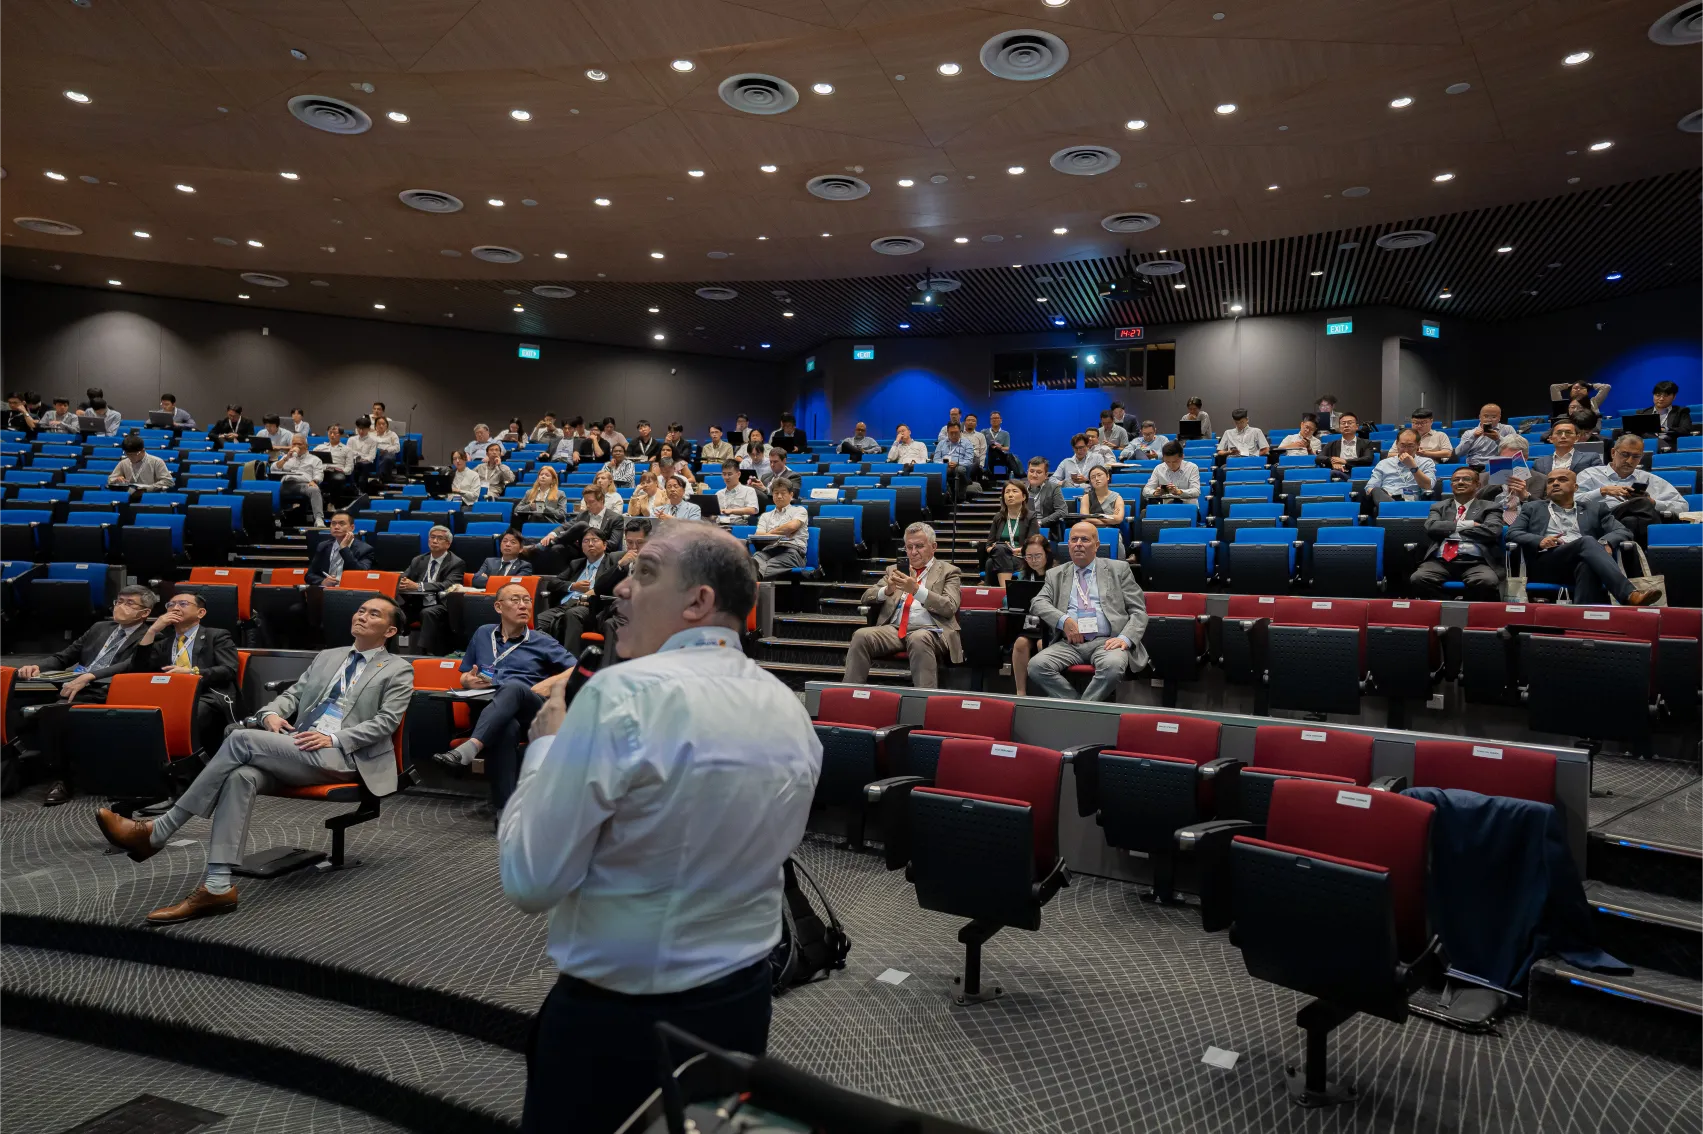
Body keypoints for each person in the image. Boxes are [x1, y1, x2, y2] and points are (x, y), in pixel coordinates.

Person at [500, 520, 817, 1134]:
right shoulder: (789, 705)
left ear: (698, 601)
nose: (620, 586)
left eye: (645, 573)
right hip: (741, 1006)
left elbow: (529, 880)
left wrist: (545, 747)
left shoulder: (621, 694)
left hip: (617, 1026)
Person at [97, 597, 413, 924]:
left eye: (374, 614)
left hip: (345, 754)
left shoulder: (398, 668)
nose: (362, 616)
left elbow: (386, 722)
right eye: (361, 610)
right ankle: (217, 887)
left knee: (240, 738)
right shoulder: (328, 656)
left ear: (390, 631)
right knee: (241, 776)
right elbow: (292, 695)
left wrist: (333, 738)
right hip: (299, 745)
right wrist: (270, 714)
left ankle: (159, 830)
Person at [431, 583, 577, 812]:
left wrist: (549, 684)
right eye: (515, 600)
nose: (523, 605)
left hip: (531, 709)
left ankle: (471, 747)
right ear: (498, 607)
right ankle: (505, 811)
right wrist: (468, 681)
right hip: (490, 709)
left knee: (514, 688)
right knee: (506, 728)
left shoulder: (542, 640)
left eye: (527, 600)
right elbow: (465, 675)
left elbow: (578, 668)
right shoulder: (483, 634)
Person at [18, 584, 157, 806]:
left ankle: (61, 778)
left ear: (145, 612)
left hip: (104, 688)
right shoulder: (99, 627)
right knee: (16, 696)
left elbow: (131, 665)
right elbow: (64, 657)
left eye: (129, 603)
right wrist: (37, 666)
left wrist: (91, 676)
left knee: (56, 712)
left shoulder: (151, 636)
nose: (120, 606)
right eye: (119, 601)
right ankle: (16, 763)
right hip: (73, 682)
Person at [1027, 522, 1148, 702]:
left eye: (1084, 539)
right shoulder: (1056, 574)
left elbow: (1139, 611)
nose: (1078, 544)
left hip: (1108, 642)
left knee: (1113, 667)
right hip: (1069, 644)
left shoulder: (1118, 569)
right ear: (1068, 544)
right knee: (1036, 666)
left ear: (1096, 545)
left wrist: (1124, 638)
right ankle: (1081, 707)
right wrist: (1064, 620)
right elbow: (1037, 602)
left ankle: (1081, 708)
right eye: (1074, 539)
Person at [1506, 469, 1661, 606]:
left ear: (1576, 487)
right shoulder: (1532, 508)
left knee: (1587, 564)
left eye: (1562, 480)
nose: (1555, 483)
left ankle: (1583, 618)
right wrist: (1540, 540)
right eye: (1551, 481)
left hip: (1584, 561)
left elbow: (1623, 531)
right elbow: (1512, 532)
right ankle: (1629, 595)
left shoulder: (1595, 509)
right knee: (1587, 541)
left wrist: (1605, 542)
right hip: (1546, 563)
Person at [843, 523, 962, 688]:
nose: (913, 552)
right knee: (861, 636)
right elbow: (866, 597)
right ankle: (848, 694)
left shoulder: (949, 572)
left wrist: (916, 590)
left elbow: (949, 607)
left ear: (933, 547)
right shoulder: (895, 570)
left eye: (919, 546)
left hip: (933, 630)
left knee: (918, 638)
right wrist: (887, 590)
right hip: (895, 630)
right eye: (909, 547)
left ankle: (925, 699)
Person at [130, 590, 240, 754]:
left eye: (183, 604)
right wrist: (152, 631)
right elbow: (138, 669)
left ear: (200, 613)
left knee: (187, 713)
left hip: (206, 694)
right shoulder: (165, 642)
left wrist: (192, 673)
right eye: (171, 605)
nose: (175, 608)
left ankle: (187, 757)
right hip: (168, 693)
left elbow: (229, 670)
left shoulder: (216, 636)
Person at [1409, 469, 1504, 601]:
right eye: (1456, 480)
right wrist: (1470, 524)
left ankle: (1466, 606)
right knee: (1418, 578)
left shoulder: (1490, 507)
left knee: (1486, 581)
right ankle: (1447, 604)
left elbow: (1492, 531)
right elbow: (1431, 527)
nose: (1460, 482)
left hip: (1476, 561)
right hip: (1440, 561)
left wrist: (1447, 529)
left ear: (1478, 485)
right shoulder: (1439, 506)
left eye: (1466, 479)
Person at [1576, 434, 1687, 545]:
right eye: (1625, 455)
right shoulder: (1590, 474)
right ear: (1613, 453)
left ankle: (1627, 550)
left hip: (1628, 527)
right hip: (1601, 521)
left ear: (1641, 457)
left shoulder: (1651, 480)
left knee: (1631, 520)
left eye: (1636, 456)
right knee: (1642, 503)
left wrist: (1653, 502)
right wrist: (1603, 491)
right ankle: (1655, 546)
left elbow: (1682, 506)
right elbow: (1571, 500)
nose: (1629, 461)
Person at [535, 526, 621, 648]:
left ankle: (570, 658)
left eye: (595, 540)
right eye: (586, 541)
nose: (590, 544)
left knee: (572, 614)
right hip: (566, 605)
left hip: (590, 608)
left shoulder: (611, 563)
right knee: (536, 622)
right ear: (581, 546)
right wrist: (573, 586)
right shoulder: (576, 564)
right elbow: (553, 583)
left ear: (604, 545)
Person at [400, 526, 465, 655]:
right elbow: (404, 577)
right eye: (432, 537)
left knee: (428, 613)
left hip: (441, 604)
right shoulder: (418, 560)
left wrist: (418, 586)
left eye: (440, 538)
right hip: (417, 602)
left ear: (448, 544)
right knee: (392, 610)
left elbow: (448, 585)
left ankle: (425, 653)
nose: (435, 541)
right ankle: (386, 647)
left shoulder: (456, 563)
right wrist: (403, 583)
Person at [1007, 535, 1053, 697]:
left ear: (1047, 554)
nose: (1033, 560)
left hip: (1051, 624)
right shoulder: (1023, 576)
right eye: (1029, 556)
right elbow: (1009, 600)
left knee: (1042, 644)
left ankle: (1049, 692)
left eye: (1038, 556)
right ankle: (1020, 692)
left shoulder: (1057, 574)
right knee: (1020, 643)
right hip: (1031, 623)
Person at [984, 480, 1037, 584]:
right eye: (1007, 492)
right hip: (1001, 556)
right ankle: (1005, 590)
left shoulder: (1030, 517)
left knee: (990, 563)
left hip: (1021, 558)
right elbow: (988, 546)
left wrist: (1017, 550)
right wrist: (995, 549)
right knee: (999, 550)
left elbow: (1033, 545)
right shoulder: (998, 517)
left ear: (1024, 497)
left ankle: (1001, 590)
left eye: (1014, 491)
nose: (1010, 495)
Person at [754, 478, 808, 578]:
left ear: (791, 495)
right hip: (769, 551)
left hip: (792, 552)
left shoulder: (800, 510)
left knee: (759, 568)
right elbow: (758, 535)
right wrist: (783, 532)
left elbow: (792, 526)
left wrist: (768, 534)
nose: (779, 496)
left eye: (783, 493)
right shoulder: (765, 516)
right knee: (753, 562)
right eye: (776, 493)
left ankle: (754, 579)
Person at [1363, 429, 1435, 502]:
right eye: (1402, 445)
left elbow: (1428, 486)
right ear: (1397, 444)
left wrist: (1413, 467)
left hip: (1412, 503)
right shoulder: (1384, 463)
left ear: (1418, 445)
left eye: (1410, 446)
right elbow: (1370, 488)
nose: (1406, 450)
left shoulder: (1426, 462)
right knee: (1376, 491)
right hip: (1386, 500)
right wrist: (1384, 495)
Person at [305, 512, 375, 587]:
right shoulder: (323, 546)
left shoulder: (365, 549)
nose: (336, 527)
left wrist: (344, 548)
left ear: (352, 528)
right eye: (333, 523)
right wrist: (322, 581)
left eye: (342, 523)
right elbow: (309, 575)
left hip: (351, 591)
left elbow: (361, 574)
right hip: (326, 590)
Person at [271, 434, 326, 526]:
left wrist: (314, 481)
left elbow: (319, 474)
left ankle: (319, 519)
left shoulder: (315, 459)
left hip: (304, 485)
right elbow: (273, 468)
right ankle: (276, 517)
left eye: (299, 444)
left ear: (306, 446)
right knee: (271, 490)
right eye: (294, 444)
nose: (296, 446)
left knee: (314, 489)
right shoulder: (287, 457)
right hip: (286, 484)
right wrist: (286, 458)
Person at [1531, 420, 1603, 482]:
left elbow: (1600, 481)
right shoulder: (1539, 463)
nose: (1563, 436)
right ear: (1551, 439)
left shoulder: (1591, 458)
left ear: (1577, 438)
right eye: (1559, 433)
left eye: (1568, 433)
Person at [1453, 404, 1517, 466]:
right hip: (1475, 466)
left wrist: (1498, 438)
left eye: (1494, 417)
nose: (1489, 420)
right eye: (1486, 416)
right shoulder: (1469, 433)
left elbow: (1517, 449)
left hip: (1498, 465)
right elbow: (1458, 453)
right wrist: (1473, 437)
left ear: (1499, 418)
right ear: (1480, 417)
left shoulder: (1507, 429)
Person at [469, 529, 535, 589]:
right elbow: (476, 580)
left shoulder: (524, 566)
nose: (507, 544)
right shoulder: (489, 562)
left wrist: (488, 579)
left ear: (520, 549)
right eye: (505, 541)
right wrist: (506, 581)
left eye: (513, 542)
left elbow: (515, 585)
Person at [107, 434, 175, 491]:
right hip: (129, 495)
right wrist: (116, 480)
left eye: (133, 454)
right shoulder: (124, 463)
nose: (130, 457)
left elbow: (168, 482)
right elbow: (111, 479)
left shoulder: (157, 462)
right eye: (127, 454)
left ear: (143, 450)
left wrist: (149, 488)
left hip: (150, 494)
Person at [1638, 380, 1692, 452]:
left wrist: (1665, 429)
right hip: (1647, 447)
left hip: (1671, 446)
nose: (1661, 399)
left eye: (1666, 395)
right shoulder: (1643, 413)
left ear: (1674, 396)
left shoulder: (1681, 412)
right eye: (1658, 395)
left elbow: (1685, 430)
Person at [1319, 411, 1376, 476]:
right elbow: (1319, 458)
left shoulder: (1366, 443)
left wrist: (1345, 461)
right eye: (1343, 423)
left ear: (1357, 427)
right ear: (1339, 428)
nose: (1346, 425)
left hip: (1358, 474)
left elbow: (1368, 459)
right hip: (1339, 473)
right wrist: (1333, 461)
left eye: (1350, 423)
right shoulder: (1331, 444)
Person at [933, 422, 978, 502]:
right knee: (938, 472)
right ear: (947, 432)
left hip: (959, 466)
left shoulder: (967, 443)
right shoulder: (941, 443)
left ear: (960, 432)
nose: (954, 435)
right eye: (951, 433)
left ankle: (961, 497)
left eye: (956, 432)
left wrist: (957, 463)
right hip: (945, 466)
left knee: (959, 470)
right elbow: (936, 460)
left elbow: (969, 461)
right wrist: (945, 464)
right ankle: (946, 496)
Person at [1024, 457, 1070, 534]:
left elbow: (1062, 511)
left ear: (1046, 475)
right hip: (1024, 528)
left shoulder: (1053, 488)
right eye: (1031, 471)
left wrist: (1041, 522)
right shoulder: (1021, 488)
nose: (1034, 475)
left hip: (1046, 529)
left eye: (1039, 472)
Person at [981, 410, 1017, 479]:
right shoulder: (984, 432)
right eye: (993, 418)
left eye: (997, 418)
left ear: (1001, 420)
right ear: (990, 421)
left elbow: (1007, 448)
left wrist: (1000, 447)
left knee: (997, 450)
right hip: (986, 454)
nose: (994, 420)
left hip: (1000, 455)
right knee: (991, 449)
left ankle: (1012, 473)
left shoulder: (1005, 433)